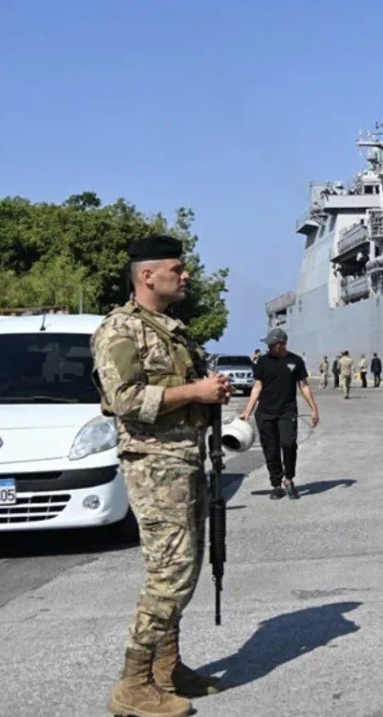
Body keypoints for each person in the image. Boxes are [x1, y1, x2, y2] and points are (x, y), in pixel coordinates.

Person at [90, 234, 228, 717]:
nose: (185, 274)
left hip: (185, 461)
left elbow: (182, 389)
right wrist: (195, 392)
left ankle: (166, 669)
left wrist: (208, 394)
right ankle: (132, 684)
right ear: (147, 276)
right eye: (177, 267)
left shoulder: (170, 329)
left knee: (185, 568)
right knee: (169, 573)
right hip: (155, 465)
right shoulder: (120, 331)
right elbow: (126, 399)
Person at [239, 327, 319, 501]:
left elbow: (303, 385)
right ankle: (276, 484)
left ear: (282, 344)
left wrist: (314, 409)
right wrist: (247, 411)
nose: (269, 347)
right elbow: (257, 387)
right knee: (271, 449)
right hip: (265, 413)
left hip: (287, 411)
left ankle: (288, 478)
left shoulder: (295, 361)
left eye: (272, 344)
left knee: (289, 444)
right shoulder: (263, 362)